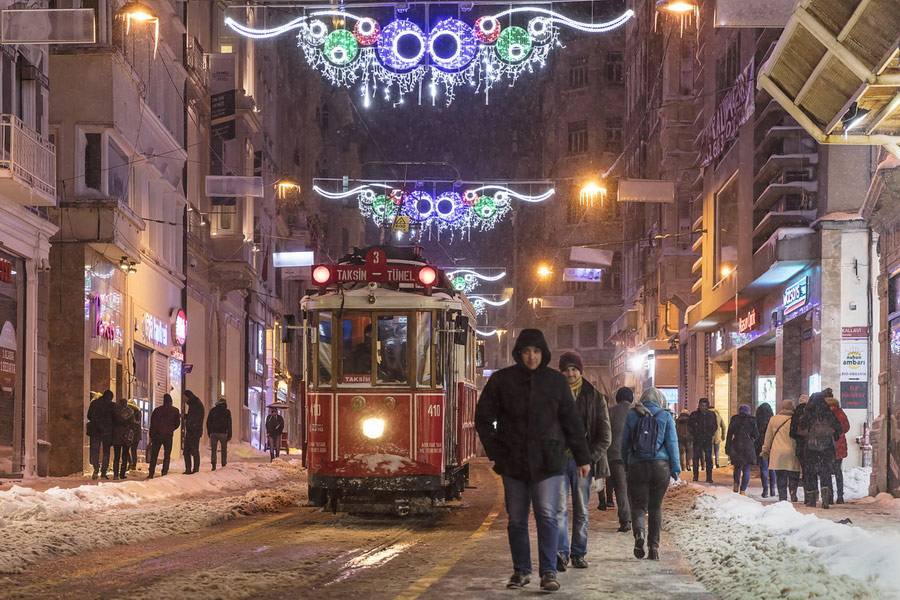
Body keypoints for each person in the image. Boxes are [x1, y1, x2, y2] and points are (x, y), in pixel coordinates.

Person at [475, 329, 590, 592]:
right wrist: (497, 451)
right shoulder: (502, 381)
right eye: (526, 351)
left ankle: (548, 571)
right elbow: (482, 418)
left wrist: (582, 457)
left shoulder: (555, 382)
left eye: (536, 351)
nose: (531, 356)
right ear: (519, 353)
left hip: (548, 462)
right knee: (516, 519)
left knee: (547, 516)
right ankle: (521, 570)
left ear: (543, 353)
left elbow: (571, 422)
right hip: (513, 462)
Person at [555, 351, 611, 572]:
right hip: (558, 461)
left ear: (580, 370)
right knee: (559, 509)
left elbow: (605, 436)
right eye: (566, 369)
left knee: (581, 510)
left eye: (574, 369)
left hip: (583, 463)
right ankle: (560, 553)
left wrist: (589, 459)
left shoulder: (595, 397)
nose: (570, 373)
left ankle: (578, 553)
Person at [621, 387, 681, 561]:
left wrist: (626, 463)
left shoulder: (632, 415)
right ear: (660, 400)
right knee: (655, 507)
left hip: (637, 465)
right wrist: (675, 468)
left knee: (638, 505)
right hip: (660, 467)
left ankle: (639, 532)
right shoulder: (665, 416)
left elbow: (624, 443)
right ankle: (653, 548)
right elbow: (672, 443)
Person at [798, 392, 842, 508]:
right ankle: (826, 498)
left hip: (811, 448)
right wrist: (832, 437)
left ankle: (812, 499)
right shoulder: (829, 413)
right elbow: (839, 429)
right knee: (825, 472)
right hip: (827, 448)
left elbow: (801, 427)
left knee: (811, 472)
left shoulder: (808, 414)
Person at [761, 399, 801, 502]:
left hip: (777, 451)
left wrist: (765, 449)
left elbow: (768, 437)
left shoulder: (773, 419)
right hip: (792, 449)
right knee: (793, 473)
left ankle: (782, 496)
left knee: (780, 475)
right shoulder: (795, 419)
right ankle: (793, 492)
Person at [606, 387, 633, 533]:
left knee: (621, 489)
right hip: (634, 457)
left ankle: (625, 521)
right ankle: (637, 518)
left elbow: (605, 434)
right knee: (633, 488)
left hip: (615, 456)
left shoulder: (610, 412)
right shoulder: (636, 412)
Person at [725, 405, 758, 495]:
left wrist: (727, 447)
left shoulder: (734, 419)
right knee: (746, 469)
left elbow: (729, 434)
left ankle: (736, 484)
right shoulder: (752, 420)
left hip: (736, 445)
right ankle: (743, 490)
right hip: (748, 446)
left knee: (737, 467)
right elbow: (756, 435)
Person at [824, 391, 850, 504]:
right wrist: (839, 434)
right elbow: (847, 427)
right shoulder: (840, 412)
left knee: (827, 471)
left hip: (826, 444)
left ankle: (829, 496)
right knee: (838, 471)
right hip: (839, 444)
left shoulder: (824, 412)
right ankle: (840, 496)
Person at [147, 394, 181, 479]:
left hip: (157, 435)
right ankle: (164, 472)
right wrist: (171, 429)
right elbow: (177, 423)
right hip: (168, 436)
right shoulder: (175, 411)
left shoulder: (157, 410)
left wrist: (151, 435)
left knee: (154, 454)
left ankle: (151, 472)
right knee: (167, 454)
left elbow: (153, 424)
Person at [687, 398, 718, 483]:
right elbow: (689, 426)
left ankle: (709, 477)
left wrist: (710, 434)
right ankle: (695, 476)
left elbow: (715, 426)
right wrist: (695, 433)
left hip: (707, 439)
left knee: (708, 459)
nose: (703, 407)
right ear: (699, 405)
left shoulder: (711, 415)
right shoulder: (694, 415)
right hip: (697, 439)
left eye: (705, 405)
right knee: (696, 458)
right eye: (702, 405)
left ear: (707, 406)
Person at [86, 390, 114, 480]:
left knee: (95, 451)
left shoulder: (94, 403)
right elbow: (115, 418)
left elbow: (89, 416)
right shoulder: (111, 406)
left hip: (95, 431)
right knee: (106, 452)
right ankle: (103, 472)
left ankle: (96, 469)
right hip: (106, 432)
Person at [110, 398, 136, 480]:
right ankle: (122, 473)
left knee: (116, 456)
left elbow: (112, 422)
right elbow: (132, 424)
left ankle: (115, 474)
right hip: (126, 436)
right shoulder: (130, 412)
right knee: (125, 456)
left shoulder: (115, 412)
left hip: (117, 435)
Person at [755, 403, 776, 497]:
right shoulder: (773, 421)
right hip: (772, 445)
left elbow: (755, 434)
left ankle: (765, 490)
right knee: (772, 468)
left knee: (763, 467)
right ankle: (772, 489)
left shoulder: (757, 421)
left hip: (761, 445)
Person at [182, 390, 205, 474]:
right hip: (193, 431)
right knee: (187, 451)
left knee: (194, 451)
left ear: (187, 396)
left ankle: (195, 470)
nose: (183, 399)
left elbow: (193, 418)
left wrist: (185, 416)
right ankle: (189, 469)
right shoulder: (194, 403)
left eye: (184, 397)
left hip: (194, 431)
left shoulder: (196, 404)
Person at [207, 397, 233, 470]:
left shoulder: (212, 411)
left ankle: (213, 464)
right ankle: (223, 464)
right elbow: (229, 424)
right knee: (223, 450)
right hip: (223, 433)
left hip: (213, 433)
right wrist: (230, 434)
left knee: (213, 449)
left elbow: (208, 422)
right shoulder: (227, 412)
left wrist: (209, 432)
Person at [127, 400, 142, 471]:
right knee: (131, 450)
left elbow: (136, 422)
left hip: (132, 434)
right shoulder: (137, 412)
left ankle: (132, 464)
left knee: (130, 449)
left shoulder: (136, 413)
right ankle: (132, 463)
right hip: (134, 434)